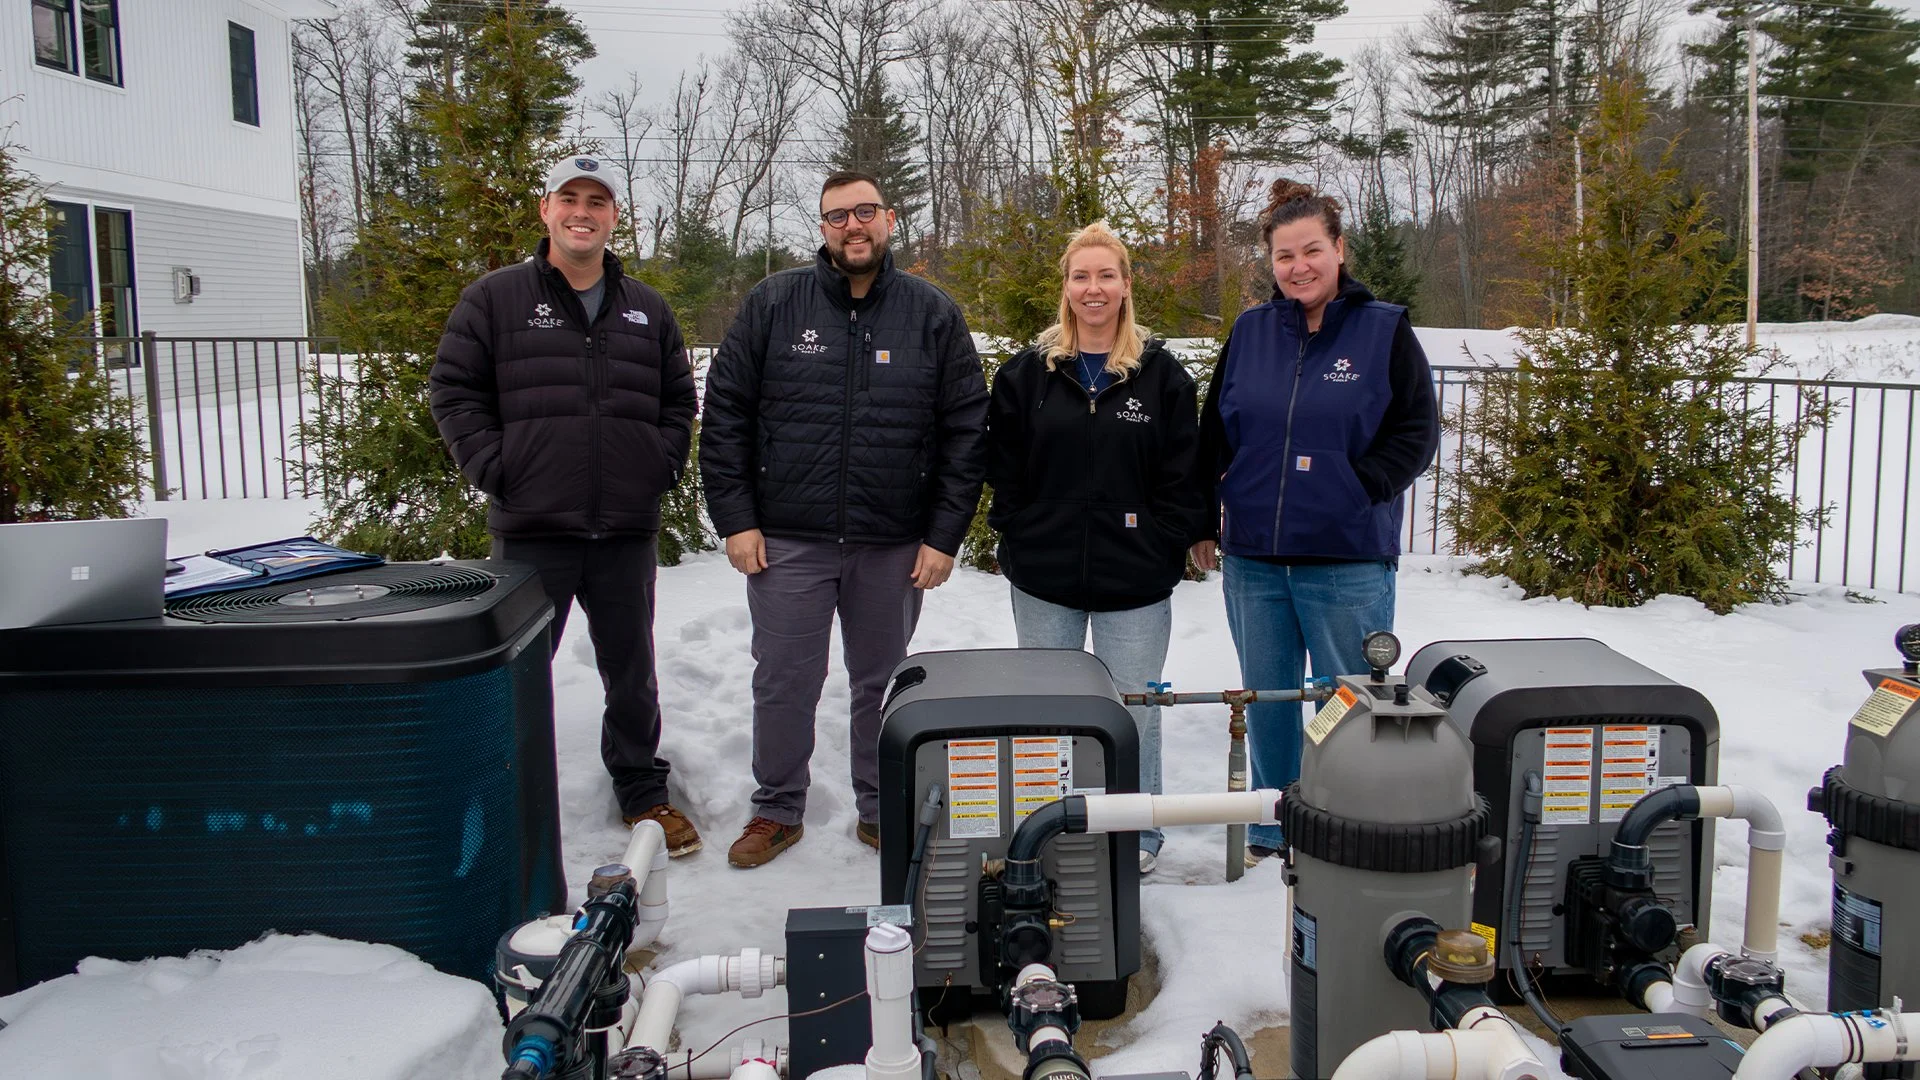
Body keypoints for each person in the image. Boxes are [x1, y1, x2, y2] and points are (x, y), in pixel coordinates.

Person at [700, 170, 989, 868]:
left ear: (889, 220)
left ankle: (881, 805)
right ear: (822, 226)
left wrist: (943, 534)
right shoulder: (774, 303)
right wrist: (736, 520)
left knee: (882, 681)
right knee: (783, 678)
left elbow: (966, 430)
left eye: (865, 212)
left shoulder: (931, 313)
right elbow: (727, 414)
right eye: (838, 216)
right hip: (787, 540)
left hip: (891, 544)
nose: (853, 226)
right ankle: (776, 808)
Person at [430, 155, 702, 856]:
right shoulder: (494, 299)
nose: (583, 212)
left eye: (598, 201)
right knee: (516, 673)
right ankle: (503, 797)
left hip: (623, 530)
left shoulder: (646, 307)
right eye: (570, 198)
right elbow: (454, 393)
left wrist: (660, 464)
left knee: (632, 673)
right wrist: (498, 468)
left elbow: (679, 401)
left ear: (615, 216)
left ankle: (644, 795)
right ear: (546, 209)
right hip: (532, 531)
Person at [1192, 178, 1439, 866]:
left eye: (1311, 251)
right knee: (1269, 700)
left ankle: (1344, 814)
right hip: (1255, 562)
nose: (1298, 266)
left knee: (1345, 700)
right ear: (1269, 263)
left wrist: (1359, 488)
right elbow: (1217, 432)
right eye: (1283, 256)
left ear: (1339, 249)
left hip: (1346, 559)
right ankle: (1275, 822)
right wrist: (1208, 516)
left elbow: (1416, 430)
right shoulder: (1250, 331)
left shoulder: (1383, 329)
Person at [986, 222, 1202, 874]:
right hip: (1044, 578)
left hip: (1134, 585)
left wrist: (1160, 544)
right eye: (1081, 276)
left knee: (1135, 711)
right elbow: (1004, 466)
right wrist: (1023, 530)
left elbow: (1183, 476)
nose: (1094, 288)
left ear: (1126, 285)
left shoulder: (1161, 377)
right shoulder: (1028, 374)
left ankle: (1137, 832)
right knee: (1048, 711)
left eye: (1106, 275)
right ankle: (1046, 825)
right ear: (1067, 288)